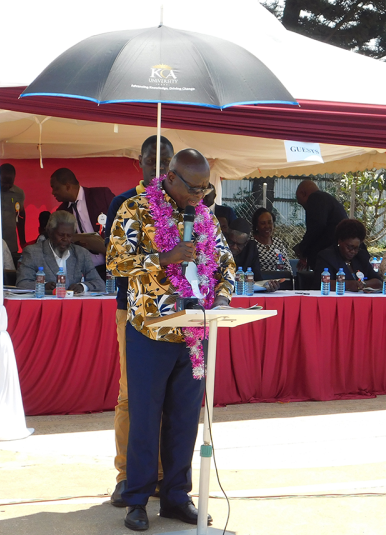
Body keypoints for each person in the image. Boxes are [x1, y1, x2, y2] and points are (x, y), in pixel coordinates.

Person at [107, 148, 235, 531]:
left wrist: (224, 297)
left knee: (183, 420)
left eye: (205, 188)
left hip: (195, 330)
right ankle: (137, 500)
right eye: (194, 188)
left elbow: (224, 262)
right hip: (151, 329)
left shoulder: (206, 216)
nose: (201, 195)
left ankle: (177, 497)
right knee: (145, 417)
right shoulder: (135, 209)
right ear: (171, 177)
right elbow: (115, 262)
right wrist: (163, 258)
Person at [104, 135, 173, 508]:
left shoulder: (184, 205)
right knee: (131, 395)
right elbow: (116, 261)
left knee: (168, 398)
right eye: (151, 161)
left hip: (175, 313)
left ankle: (163, 475)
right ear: (140, 162)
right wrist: (159, 256)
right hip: (130, 310)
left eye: (165, 163)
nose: (158, 169)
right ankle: (127, 474)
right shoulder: (123, 203)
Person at [17, 211, 104, 294]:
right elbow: (22, 284)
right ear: (50, 233)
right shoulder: (32, 252)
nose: (65, 239)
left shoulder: (81, 253)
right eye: (61, 235)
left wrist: (82, 286)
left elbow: (100, 283)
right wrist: (44, 286)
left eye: (69, 236)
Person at [51, 167, 114, 278]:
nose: (53, 192)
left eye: (55, 188)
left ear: (67, 186)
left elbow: (123, 221)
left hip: (112, 265)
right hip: (88, 271)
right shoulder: (62, 212)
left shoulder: (101, 195)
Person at [293, 180, 348, 270]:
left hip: (326, 254)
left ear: (303, 193)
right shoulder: (329, 200)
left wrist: (303, 249)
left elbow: (316, 227)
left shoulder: (315, 198)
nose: (304, 207)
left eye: (301, 202)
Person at [314, 219, 383, 291]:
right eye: (349, 247)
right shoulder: (327, 256)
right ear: (340, 241)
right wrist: (349, 284)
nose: (353, 251)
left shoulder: (361, 256)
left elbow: (378, 282)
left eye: (356, 248)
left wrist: (363, 284)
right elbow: (322, 283)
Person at [227, 218, 281, 292]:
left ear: (246, 243)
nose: (234, 247)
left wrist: (267, 287)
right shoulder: (219, 248)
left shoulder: (251, 248)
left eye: (239, 245)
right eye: (231, 242)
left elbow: (257, 279)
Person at [251, 207, 293, 274]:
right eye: (263, 223)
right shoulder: (251, 244)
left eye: (270, 222)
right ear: (256, 226)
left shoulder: (278, 242)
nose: (267, 226)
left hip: (280, 281)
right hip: (260, 282)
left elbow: (287, 267)